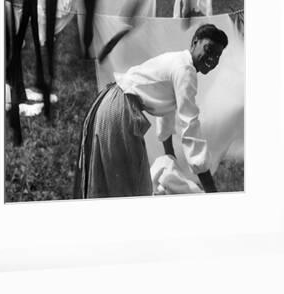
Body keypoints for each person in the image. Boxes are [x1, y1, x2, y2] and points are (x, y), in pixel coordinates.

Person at [74, 23, 228, 198]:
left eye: (217, 55)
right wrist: (210, 189)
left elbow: (167, 112)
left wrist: (170, 158)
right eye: (208, 50)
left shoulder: (178, 61)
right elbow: (190, 126)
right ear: (194, 42)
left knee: (119, 180)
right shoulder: (185, 70)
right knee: (128, 186)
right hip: (118, 110)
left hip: (110, 103)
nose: (212, 59)